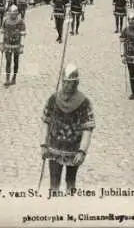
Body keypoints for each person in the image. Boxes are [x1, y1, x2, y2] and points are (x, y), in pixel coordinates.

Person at [40, 64, 95, 193]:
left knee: (70, 182)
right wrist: (43, 144)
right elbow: (46, 122)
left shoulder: (84, 102)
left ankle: (70, 208)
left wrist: (82, 151)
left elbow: (87, 129)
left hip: (73, 150)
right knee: (54, 183)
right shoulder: (53, 99)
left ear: (76, 83)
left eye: (71, 83)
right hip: (54, 149)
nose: (67, 86)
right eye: (65, 82)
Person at [0, 5, 26, 87]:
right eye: (11, 13)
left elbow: (23, 33)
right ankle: (7, 79)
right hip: (7, 43)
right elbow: (3, 32)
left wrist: (22, 45)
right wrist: (2, 44)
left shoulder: (20, 21)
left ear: (17, 13)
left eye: (14, 13)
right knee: (8, 61)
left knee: (15, 61)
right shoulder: (5, 20)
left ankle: (14, 77)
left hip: (16, 44)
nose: (13, 15)